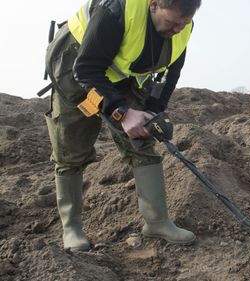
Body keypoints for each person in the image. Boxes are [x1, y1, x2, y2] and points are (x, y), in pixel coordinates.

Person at [44, 0, 201, 251]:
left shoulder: (183, 26)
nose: (176, 30)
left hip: (120, 77)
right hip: (76, 66)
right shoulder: (115, 10)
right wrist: (123, 113)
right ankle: (71, 229)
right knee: (70, 151)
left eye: (183, 24)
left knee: (142, 142)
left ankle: (157, 221)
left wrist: (152, 109)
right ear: (154, 5)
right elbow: (86, 69)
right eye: (171, 23)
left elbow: (172, 73)